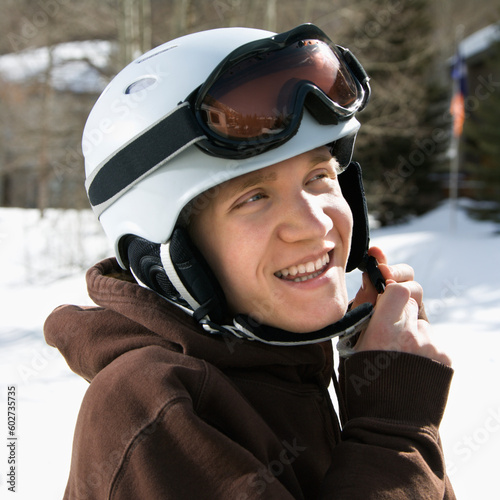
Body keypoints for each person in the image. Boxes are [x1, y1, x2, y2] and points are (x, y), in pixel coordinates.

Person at [45, 24, 455, 499]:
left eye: (319, 176)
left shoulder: (284, 364)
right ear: (172, 256)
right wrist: (393, 431)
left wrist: (387, 401)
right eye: (254, 196)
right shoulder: (152, 407)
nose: (312, 224)